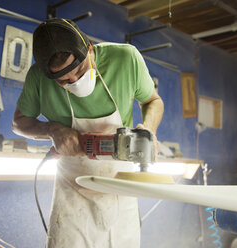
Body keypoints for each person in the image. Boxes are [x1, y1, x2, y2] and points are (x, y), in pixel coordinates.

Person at [12, 18, 164, 248]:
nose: (75, 81)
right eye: (64, 81)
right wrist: (52, 129)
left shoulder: (125, 58)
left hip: (121, 186)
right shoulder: (37, 78)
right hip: (73, 190)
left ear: (90, 49)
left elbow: (153, 100)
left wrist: (149, 130)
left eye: (81, 70)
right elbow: (18, 123)